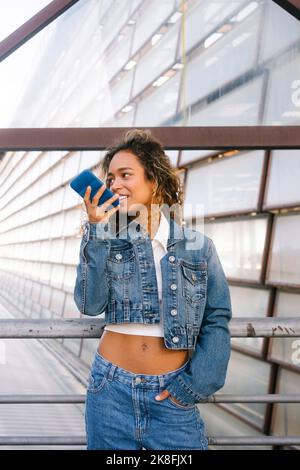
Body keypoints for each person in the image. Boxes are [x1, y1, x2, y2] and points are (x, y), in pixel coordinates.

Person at [74, 129, 232, 450]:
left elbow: (216, 318)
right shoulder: (107, 238)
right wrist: (96, 229)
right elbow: (89, 305)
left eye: (125, 175)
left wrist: (195, 385)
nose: (115, 184)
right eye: (110, 178)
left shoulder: (198, 247)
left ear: (154, 180)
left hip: (173, 396)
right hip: (110, 391)